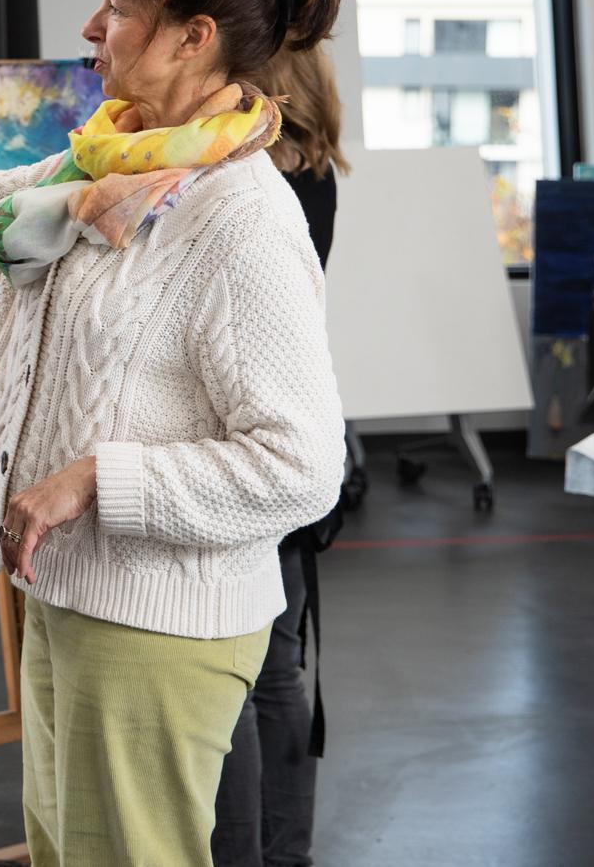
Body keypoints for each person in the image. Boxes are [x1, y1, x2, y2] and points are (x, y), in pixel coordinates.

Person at [0, 0, 348, 866]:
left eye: (118, 5)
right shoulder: (108, 168)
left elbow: (303, 469)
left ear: (193, 38)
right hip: (72, 594)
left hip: (157, 625)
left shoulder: (241, 222)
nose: (92, 28)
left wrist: (97, 478)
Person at [211, 42, 349, 867]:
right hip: (295, 427)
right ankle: (282, 852)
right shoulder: (316, 169)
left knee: (245, 677)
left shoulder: (257, 180)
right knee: (277, 667)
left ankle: (250, 853)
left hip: (252, 440)